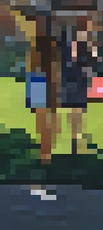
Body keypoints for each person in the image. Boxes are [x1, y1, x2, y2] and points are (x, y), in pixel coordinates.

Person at [58, 21, 97, 156]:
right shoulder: (80, 41)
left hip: (73, 77)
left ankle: (75, 138)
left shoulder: (68, 42)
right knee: (77, 109)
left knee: (75, 109)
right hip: (77, 77)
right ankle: (75, 138)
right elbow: (92, 58)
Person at [27, 15, 60, 165]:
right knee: (47, 117)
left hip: (39, 81)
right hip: (44, 81)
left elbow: (32, 67)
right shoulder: (50, 45)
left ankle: (45, 151)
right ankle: (47, 151)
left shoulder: (38, 46)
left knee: (43, 119)